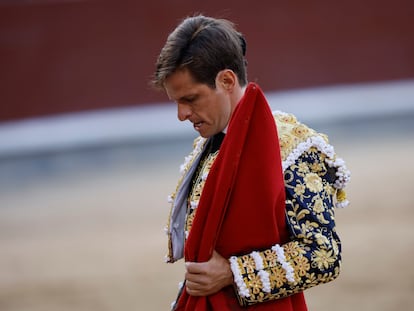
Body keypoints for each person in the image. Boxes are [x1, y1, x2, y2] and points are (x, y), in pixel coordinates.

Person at [152, 15, 350, 311]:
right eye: (177, 101)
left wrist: (233, 272)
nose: (181, 114)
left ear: (227, 81)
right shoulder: (208, 146)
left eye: (191, 99)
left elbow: (323, 253)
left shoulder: (291, 147)